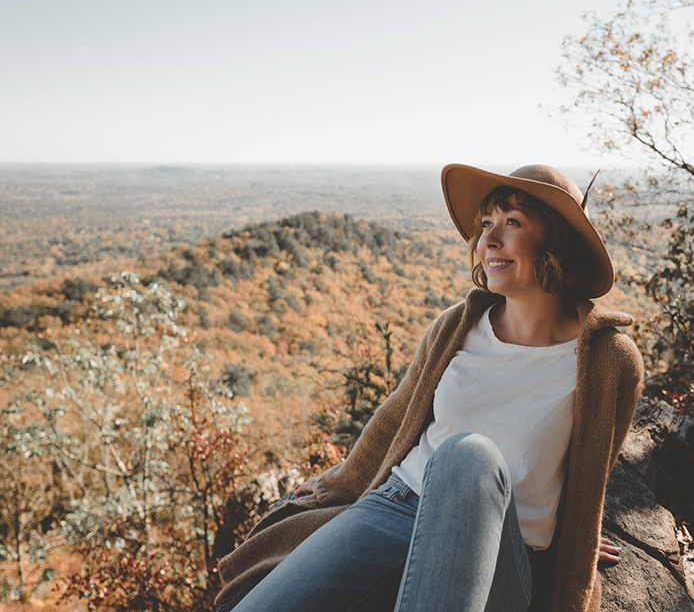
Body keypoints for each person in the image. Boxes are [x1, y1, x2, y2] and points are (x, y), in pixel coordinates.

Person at [213, 164, 644, 612]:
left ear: (557, 242)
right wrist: (336, 483)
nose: (489, 240)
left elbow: (589, 475)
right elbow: (397, 415)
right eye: (486, 224)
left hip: (502, 546)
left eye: (512, 222)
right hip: (397, 505)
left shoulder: (608, 360)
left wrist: (579, 542)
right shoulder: (457, 326)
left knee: (468, 455)